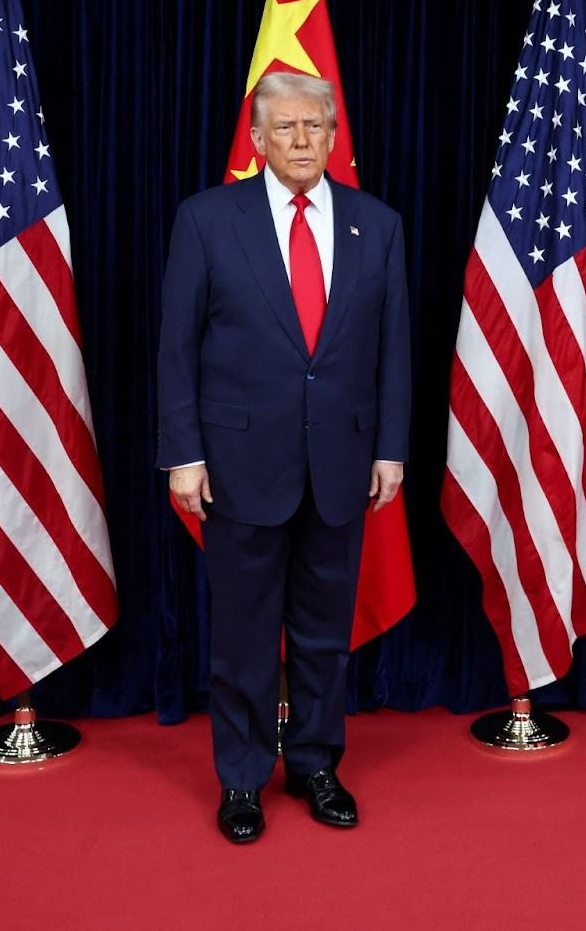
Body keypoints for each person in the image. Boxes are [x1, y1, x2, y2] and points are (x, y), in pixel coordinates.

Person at [156, 72, 411, 844]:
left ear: (335, 138)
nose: (302, 141)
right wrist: (184, 454)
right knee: (242, 634)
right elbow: (176, 349)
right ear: (258, 141)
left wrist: (391, 448)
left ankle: (314, 763)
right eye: (286, 128)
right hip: (236, 465)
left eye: (315, 127)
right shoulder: (207, 220)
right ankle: (240, 778)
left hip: (342, 463)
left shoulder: (379, 225)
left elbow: (392, 348)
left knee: (325, 632)